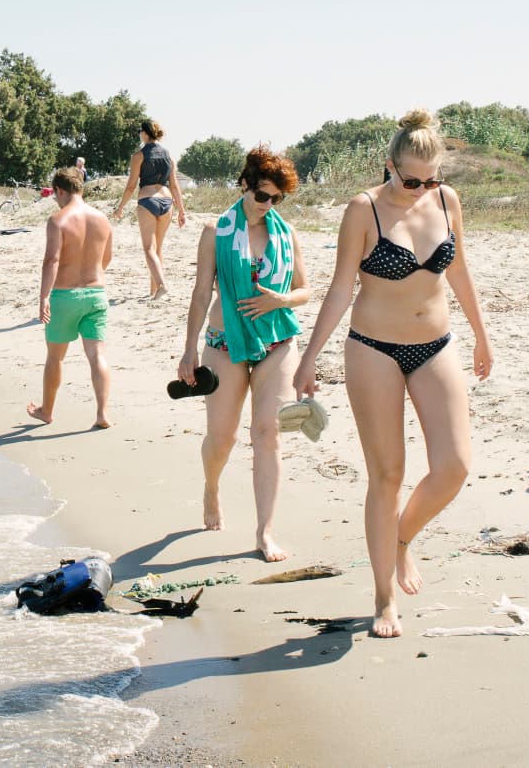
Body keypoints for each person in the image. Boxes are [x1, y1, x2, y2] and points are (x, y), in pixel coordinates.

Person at [292, 109, 493, 638]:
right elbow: (340, 288)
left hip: (436, 345)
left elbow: (461, 269)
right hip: (373, 349)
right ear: (389, 166)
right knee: (387, 477)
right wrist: (311, 356)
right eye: (410, 180)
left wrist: (481, 334)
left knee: (453, 466)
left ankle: (401, 538)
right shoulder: (364, 210)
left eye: (431, 179)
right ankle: (383, 599)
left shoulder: (447, 202)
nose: (421, 188)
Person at [178, 147, 310, 562]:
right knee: (222, 437)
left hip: (276, 341)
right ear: (244, 185)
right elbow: (201, 294)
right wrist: (187, 352)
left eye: (276, 199)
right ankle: (212, 488)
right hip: (223, 343)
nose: (268, 205)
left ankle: (264, 531)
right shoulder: (215, 232)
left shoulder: (286, 235)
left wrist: (280, 300)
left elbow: (305, 292)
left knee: (267, 433)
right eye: (262, 196)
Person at [28, 168, 114, 429]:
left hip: (65, 296)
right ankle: (102, 414)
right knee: (97, 355)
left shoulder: (58, 220)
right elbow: (106, 258)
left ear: (60, 191)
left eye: (56, 195)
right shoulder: (102, 219)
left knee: (55, 357)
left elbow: (52, 260)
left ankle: (47, 411)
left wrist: (44, 297)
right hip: (96, 294)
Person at [113, 119, 188, 299]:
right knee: (158, 249)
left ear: (145, 133)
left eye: (140, 131)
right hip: (167, 201)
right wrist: (182, 211)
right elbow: (175, 185)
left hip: (148, 200)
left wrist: (120, 207)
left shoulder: (139, 156)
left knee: (148, 249)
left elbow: (131, 186)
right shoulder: (169, 156)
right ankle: (153, 291)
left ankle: (161, 285)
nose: (140, 134)